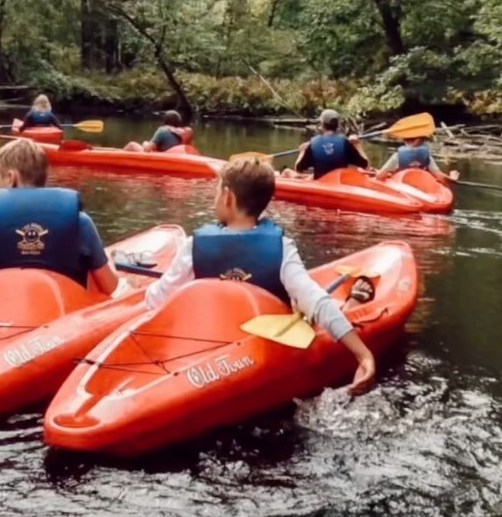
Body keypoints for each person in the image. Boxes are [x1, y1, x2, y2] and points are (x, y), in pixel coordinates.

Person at [144, 156, 376, 395]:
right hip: (260, 344)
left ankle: (349, 304)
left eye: (216, 194)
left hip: (213, 345)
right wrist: (363, 354)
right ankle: (350, 304)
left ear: (227, 197)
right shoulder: (281, 247)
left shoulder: (193, 247)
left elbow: (156, 301)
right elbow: (316, 300)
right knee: (303, 303)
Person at [0, 138, 119, 306]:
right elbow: (110, 286)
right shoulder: (81, 223)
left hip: (9, 318)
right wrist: (108, 258)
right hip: (63, 316)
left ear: (11, 179)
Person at [284, 109, 370, 180]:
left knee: (287, 172)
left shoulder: (313, 144)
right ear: (338, 126)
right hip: (339, 183)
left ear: (322, 125)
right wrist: (357, 145)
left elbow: (298, 168)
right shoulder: (345, 143)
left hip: (320, 182)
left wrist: (302, 151)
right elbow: (366, 166)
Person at [376, 134, 458, 183]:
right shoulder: (427, 156)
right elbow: (441, 177)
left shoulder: (397, 156)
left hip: (403, 188)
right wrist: (453, 178)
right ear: (418, 140)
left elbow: (379, 177)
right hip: (422, 188)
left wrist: (389, 174)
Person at [124, 110, 194, 154]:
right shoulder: (182, 133)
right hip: (174, 155)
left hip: (166, 157)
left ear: (165, 120)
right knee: (145, 143)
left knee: (131, 144)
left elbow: (147, 150)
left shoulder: (162, 131)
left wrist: (145, 145)